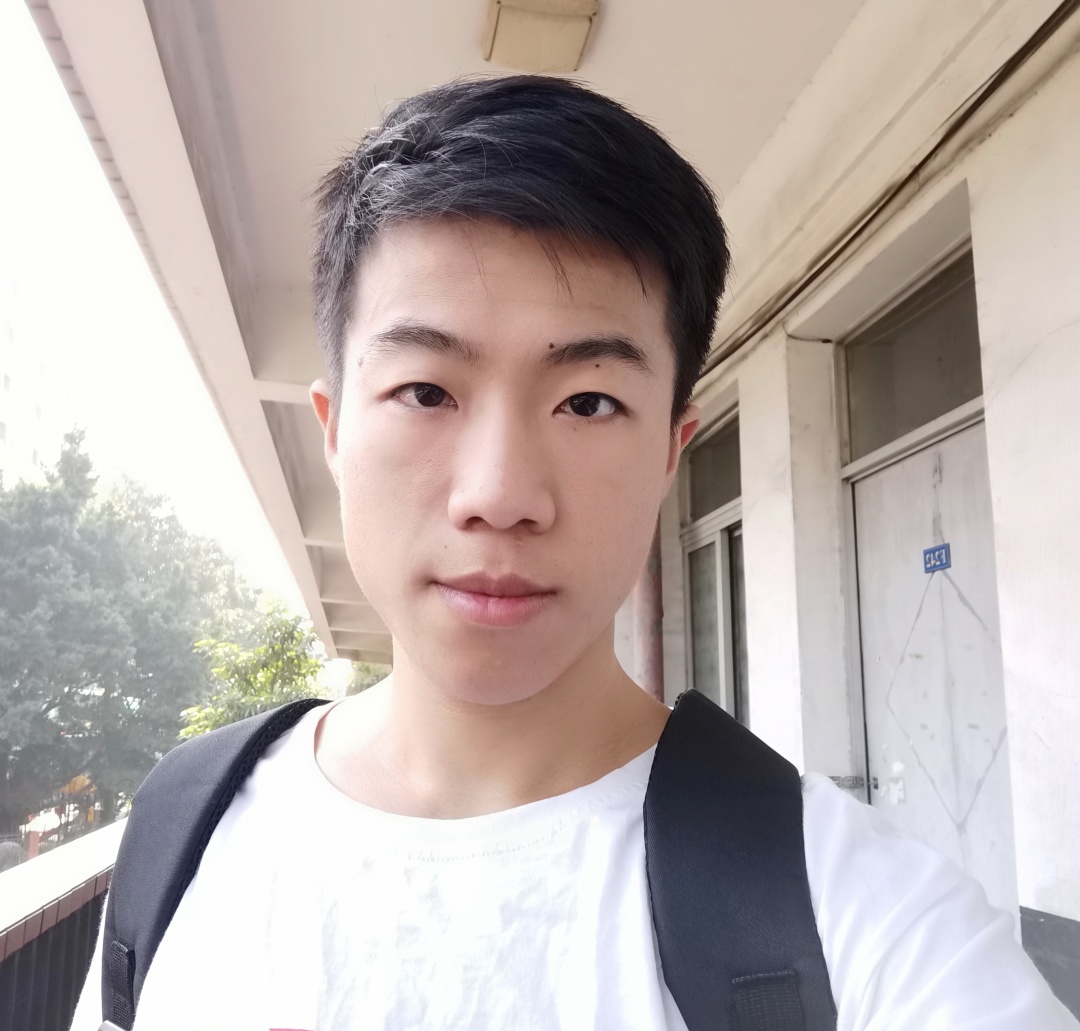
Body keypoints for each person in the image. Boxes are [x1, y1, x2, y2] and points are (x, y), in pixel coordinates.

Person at [73, 75, 1075, 1030]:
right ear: (333, 430)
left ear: (672, 450)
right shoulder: (182, 840)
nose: (500, 494)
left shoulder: (867, 918)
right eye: (426, 390)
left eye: (588, 401)